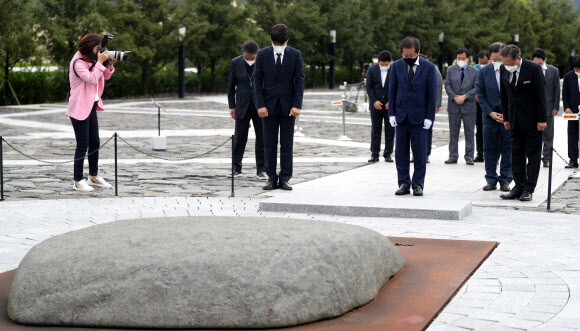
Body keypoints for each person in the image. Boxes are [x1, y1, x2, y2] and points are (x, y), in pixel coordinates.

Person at [253, 23, 305, 191]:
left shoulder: (295, 54)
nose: (278, 46)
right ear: (271, 40)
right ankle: (271, 177)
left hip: (289, 107)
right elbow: (257, 80)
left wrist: (297, 105)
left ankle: (284, 178)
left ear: (287, 40)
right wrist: (260, 104)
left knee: (287, 143)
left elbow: (300, 80)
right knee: (269, 143)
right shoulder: (261, 54)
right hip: (267, 107)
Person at [388, 37, 437, 196]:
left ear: (418, 52)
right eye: (405, 56)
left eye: (411, 56)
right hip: (401, 116)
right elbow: (392, 90)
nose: (408, 59)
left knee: (420, 154)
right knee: (401, 153)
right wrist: (392, 114)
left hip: (420, 117)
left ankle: (418, 184)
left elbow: (432, 94)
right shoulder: (396, 66)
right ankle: (403, 183)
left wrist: (430, 117)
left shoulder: (429, 68)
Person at [67, 33, 115, 192]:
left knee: (95, 142)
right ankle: (77, 180)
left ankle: (93, 176)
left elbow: (104, 76)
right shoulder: (78, 63)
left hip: (91, 105)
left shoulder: (91, 60)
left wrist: (107, 65)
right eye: (96, 49)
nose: (98, 52)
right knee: (82, 144)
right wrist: (100, 62)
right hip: (80, 106)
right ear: (88, 48)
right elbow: (92, 79)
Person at [499, 45, 547, 201]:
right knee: (516, 155)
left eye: (509, 63)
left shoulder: (533, 69)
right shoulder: (504, 69)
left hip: (533, 121)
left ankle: (529, 189)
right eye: (504, 63)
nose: (506, 66)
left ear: (518, 59)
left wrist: (542, 119)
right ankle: (518, 186)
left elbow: (541, 96)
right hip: (514, 121)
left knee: (533, 156)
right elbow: (504, 95)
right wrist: (506, 118)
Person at [476, 42, 512, 192]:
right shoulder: (484, 72)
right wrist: (490, 112)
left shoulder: (510, 71)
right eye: (494, 59)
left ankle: (505, 179)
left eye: (499, 59)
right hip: (489, 117)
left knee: (507, 149)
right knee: (489, 149)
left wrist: (507, 114)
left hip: (507, 117)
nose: (497, 62)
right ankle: (491, 179)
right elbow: (481, 95)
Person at [228, 41, 265, 178]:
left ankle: (261, 169)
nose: (249, 60)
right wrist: (232, 106)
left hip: (260, 106)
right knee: (239, 138)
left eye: (252, 57)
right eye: (247, 57)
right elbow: (231, 86)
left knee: (262, 138)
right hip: (242, 106)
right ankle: (236, 167)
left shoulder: (263, 61)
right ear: (242, 52)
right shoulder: (235, 62)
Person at [444, 48, 479, 165]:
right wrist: (454, 97)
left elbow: (476, 87)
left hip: (469, 105)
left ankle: (469, 156)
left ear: (468, 58)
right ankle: (453, 155)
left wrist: (465, 96)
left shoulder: (474, 71)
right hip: (454, 105)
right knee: (453, 132)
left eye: (463, 58)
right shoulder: (450, 69)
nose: (460, 60)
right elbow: (447, 85)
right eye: (459, 58)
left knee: (469, 132)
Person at [531, 48, 561, 168]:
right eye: (535, 63)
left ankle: (547, 158)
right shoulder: (528, 69)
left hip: (548, 107)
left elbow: (556, 90)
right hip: (532, 108)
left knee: (548, 134)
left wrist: (555, 106)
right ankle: (534, 156)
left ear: (545, 60)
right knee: (533, 134)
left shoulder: (553, 71)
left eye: (539, 64)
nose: (537, 66)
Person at [366, 50, 394, 163]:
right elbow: (369, 87)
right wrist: (374, 101)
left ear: (390, 62)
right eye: (382, 64)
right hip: (376, 105)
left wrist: (391, 102)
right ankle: (374, 154)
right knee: (375, 130)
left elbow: (397, 87)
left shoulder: (394, 70)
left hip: (389, 105)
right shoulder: (372, 70)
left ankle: (388, 154)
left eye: (386, 64)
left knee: (390, 131)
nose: (384, 66)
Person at [562, 55, 580, 168]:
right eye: (576, 69)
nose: (577, 71)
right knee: (572, 135)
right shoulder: (568, 76)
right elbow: (565, 93)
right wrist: (566, 107)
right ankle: (573, 159)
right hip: (572, 111)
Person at [474, 50, 490, 162]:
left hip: (492, 103)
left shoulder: (493, 69)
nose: (482, 65)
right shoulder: (475, 68)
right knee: (479, 129)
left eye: (484, 62)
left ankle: (493, 153)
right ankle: (480, 153)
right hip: (479, 103)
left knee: (492, 129)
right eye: (480, 62)